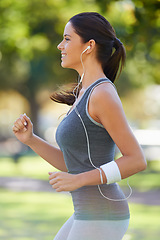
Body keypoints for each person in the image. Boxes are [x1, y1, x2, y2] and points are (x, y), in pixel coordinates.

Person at [13, 12, 147, 240]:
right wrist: (31, 139)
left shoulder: (102, 93)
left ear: (89, 46)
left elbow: (136, 160)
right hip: (87, 212)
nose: (59, 46)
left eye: (67, 39)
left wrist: (78, 180)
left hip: (103, 214)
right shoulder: (83, 93)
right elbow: (74, 164)